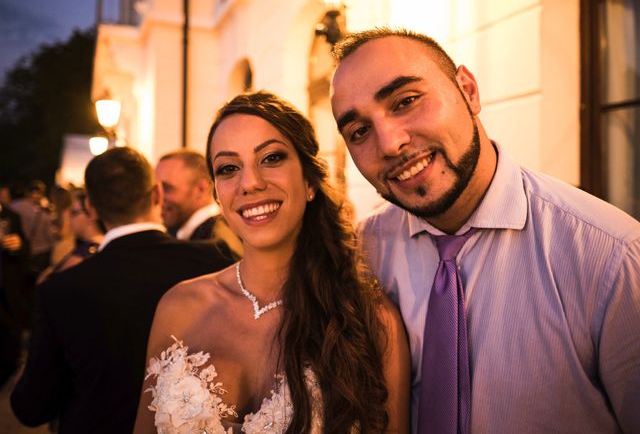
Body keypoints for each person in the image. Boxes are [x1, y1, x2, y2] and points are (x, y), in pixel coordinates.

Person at [329, 27, 640, 433]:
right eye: (359, 131)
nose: (389, 143)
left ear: (468, 90)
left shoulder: (611, 257)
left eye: (406, 101)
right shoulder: (366, 252)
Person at [133, 91, 410, 433]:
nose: (250, 183)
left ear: (309, 181)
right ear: (217, 193)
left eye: (272, 158)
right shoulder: (179, 307)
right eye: (229, 168)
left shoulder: (370, 319)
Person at [10, 147, 237, 434]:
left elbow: (31, 408)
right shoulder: (214, 259)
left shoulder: (60, 290)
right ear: (156, 194)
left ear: (91, 208)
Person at [36, 188, 105, 283]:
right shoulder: (103, 245)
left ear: (91, 214)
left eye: (74, 212)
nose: (70, 218)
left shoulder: (87, 252)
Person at [0, 197, 29, 389]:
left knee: (10, 346)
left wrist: (19, 246)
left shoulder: (12, 217)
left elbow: (27, 248)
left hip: (7, 293)